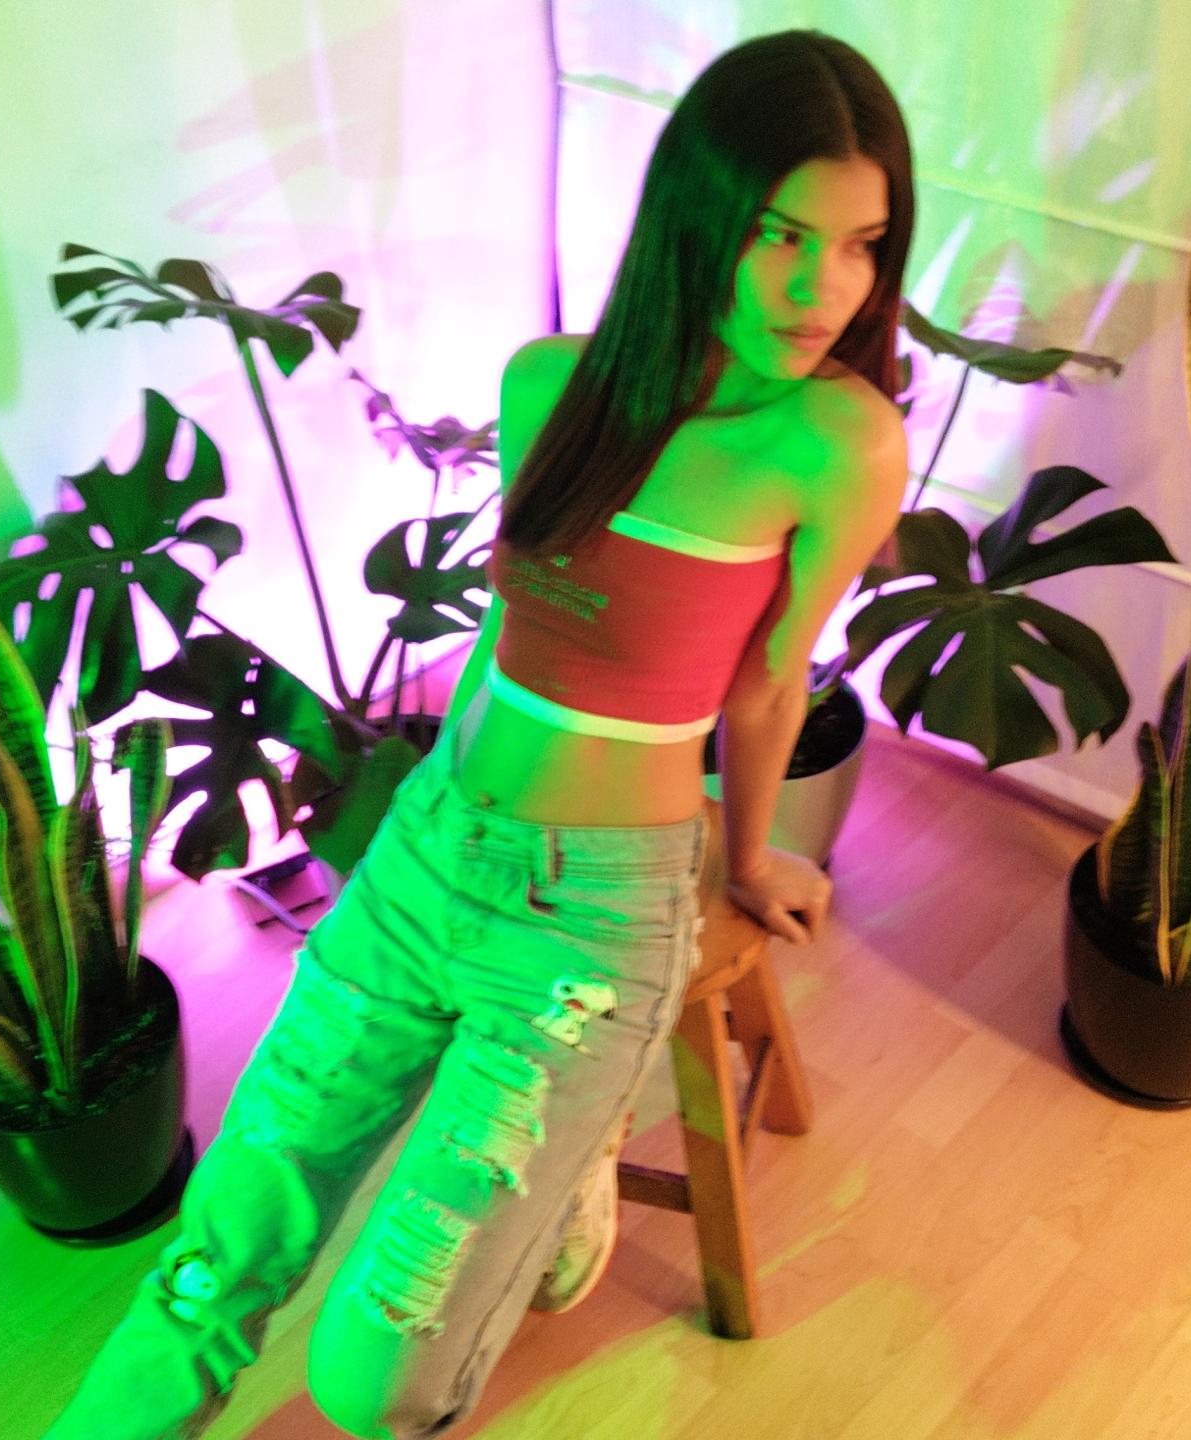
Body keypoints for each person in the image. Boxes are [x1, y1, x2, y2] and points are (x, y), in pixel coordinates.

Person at [45, 27, 913, 1440]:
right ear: (698, 217)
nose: (824, 288)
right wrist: (427, 814)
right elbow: (520, 625)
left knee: (369, 1381)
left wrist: (749, 861)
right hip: (431, 850)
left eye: (860, 245)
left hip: (590, 926)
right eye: (779, 235)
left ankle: (571, 1148)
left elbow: (769, 683)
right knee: (215, 1260)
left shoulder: (834, 442)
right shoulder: (545, 383)